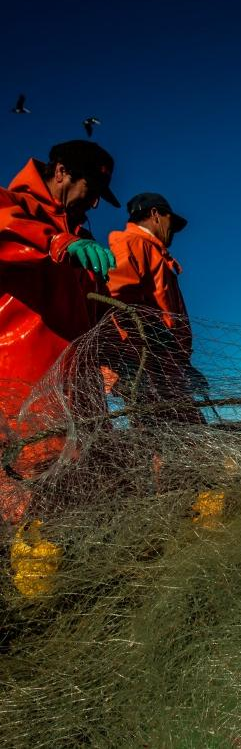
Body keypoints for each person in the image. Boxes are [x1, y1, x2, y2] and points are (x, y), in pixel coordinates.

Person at [0, 139, 119, 520]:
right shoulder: (13, 206)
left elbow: (95, 312)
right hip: (24, 379)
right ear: (62, 172)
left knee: (91, 475)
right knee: (34, 481)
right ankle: (33, 565)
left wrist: (116, 348)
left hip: (80, 383)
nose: (95, 203)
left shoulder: (83, 239)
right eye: (92, 190)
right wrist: (55, 243)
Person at [105, 193, 206, 426]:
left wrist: (183, 366)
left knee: (183, 437)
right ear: (155, 215)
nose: (174, 231)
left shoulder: (156, 253)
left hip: (168, 370)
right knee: (182, 437)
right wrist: (128, 362)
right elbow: (113, 299)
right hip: (146, 369)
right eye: (172, 221)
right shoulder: (132, 243)